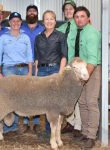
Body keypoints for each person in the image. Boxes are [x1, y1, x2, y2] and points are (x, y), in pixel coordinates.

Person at [0, 12, 33, 133]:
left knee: (22, 97)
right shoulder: (3, 38)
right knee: (9, 97)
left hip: (23, 69)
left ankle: (15, 124)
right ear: (9, 23)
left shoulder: (25, 37)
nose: (15, 23)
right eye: (13, 21)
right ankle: (6, 125)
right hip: (9, 69)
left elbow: (29, 56)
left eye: (18, 21)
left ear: (21, 23)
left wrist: (30, 72)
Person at [34, 10, 68, 134]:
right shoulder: (38, 38)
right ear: (43, 22)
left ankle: (52, 131)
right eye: (46, 19)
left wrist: (60, 74)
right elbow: (36, 58)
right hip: (42, 71)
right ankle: (47, 130)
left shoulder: (61, 36)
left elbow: (64, 56)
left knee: (54, 102)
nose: (49, 21)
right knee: (44, 101)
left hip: (55, 70)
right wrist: (36, 76)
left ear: (55, 21)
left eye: (51, 19)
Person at [73, 6, 101, 148]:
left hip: (92, 70)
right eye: (76, 17)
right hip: (81, 70)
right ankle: (84, 132)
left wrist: (85, 76)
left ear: (88, 18)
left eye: (82, 16)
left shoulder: (92, 33)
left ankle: (91, 136)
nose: (79, 19)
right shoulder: (80, 32)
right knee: (82, 102)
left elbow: (92, 59)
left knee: (91, 102)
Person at [57, 0, 82, 137]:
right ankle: (71, 122)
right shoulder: (62, 28)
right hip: (65, 66)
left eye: (71, 9)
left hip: (75, 66)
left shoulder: (79, 25)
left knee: (76, 96)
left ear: (75, 10)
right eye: (66, 9)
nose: (68, 11)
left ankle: (78, 126)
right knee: (66, 96)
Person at [21, 4, 44, 133]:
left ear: (37, 14)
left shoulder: (42, 28)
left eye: (34, 11)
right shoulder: (20, 27)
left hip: (37, 65)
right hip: (24, 65)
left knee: (36, 94)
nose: (32, 13)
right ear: (26, 13)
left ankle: (35, 122)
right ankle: (25, 121)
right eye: (29, 11)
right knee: (24, 93)